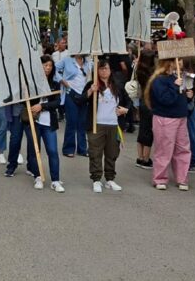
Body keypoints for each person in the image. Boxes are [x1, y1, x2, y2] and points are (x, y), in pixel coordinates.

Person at [11, 55, 65, 192]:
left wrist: (42, 106)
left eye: (50, 66)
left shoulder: (54, 84)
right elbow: (24, 101)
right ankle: (38, 177)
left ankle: (55, 180)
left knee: (53, 151)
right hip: (33, 122)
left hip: (49, 123)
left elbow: (57, 102)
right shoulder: (30, 83)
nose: (47, 68)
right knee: (35, 150)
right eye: (45, 65)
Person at [76, 59, 129, 193]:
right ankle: (96, 179)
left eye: (106, 68)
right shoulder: (92, 84)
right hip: (96, 125)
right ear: (97, 70)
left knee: (112, 153)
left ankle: (110, 179)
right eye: (101, 68)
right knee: (95, 153)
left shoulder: (117, 85)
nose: (104, 71)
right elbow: (79, 100)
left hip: (113, 125)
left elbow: (128, 102)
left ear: (110, 70)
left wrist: (125, 110)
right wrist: (90, 91)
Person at [147, 58, 194, 191]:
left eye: (181, 60)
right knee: (164, 149)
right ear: (169, 62)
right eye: (177, 60)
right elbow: (165, 99)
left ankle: (182, 178)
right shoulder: (159, 80)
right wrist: (175, 86)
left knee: (183, 149)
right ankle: (160, 178)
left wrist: (188, 97)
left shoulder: (178, 77)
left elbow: (178, 97)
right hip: (165, 117)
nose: (181, 63)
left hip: (181, 117)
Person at [58, 53, 91, 158]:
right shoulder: (67, 60)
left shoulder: (88, 61)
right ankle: (68, 148)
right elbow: (54, 70)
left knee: (82, 122)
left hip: (84, 94)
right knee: (72, 121)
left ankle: (82, 149)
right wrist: (63, 81)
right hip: (70, 92)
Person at [132, 49, 155, 169]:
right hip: (150, 101)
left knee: (142, 129)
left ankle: (140, 157)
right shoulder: (152, 73)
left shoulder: (138, 70)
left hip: (141, 101)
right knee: (149, 131)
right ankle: (146, 159)